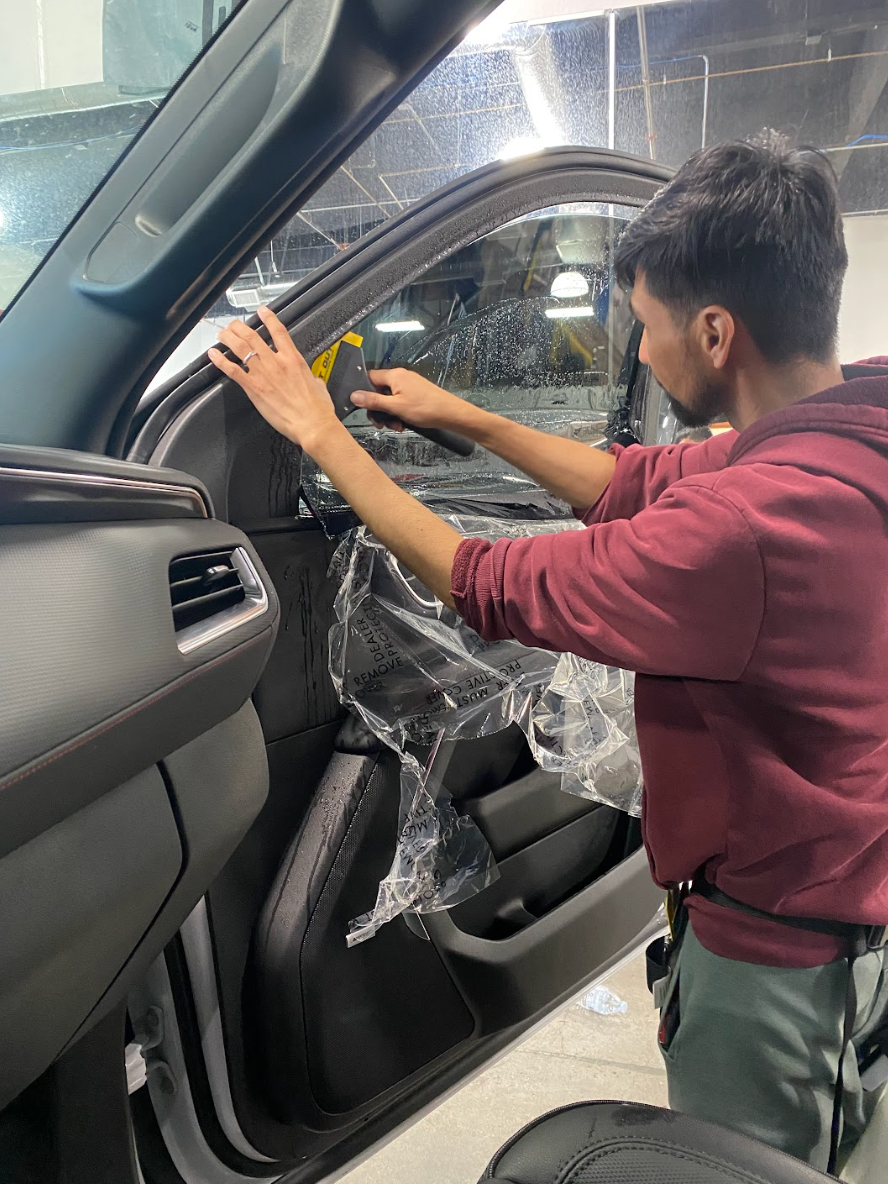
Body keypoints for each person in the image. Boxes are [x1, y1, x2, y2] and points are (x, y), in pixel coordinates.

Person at [209, 135, 888, 1172]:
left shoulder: (745, 531)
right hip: (845, 908)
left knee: (743, 1163)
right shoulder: (846, 424)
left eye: (648, 329)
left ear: (716, 332)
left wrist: (323, 437)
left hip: (778, 961)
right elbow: (637, 478)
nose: (641, 352)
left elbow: (485, 581)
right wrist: (464, 417)